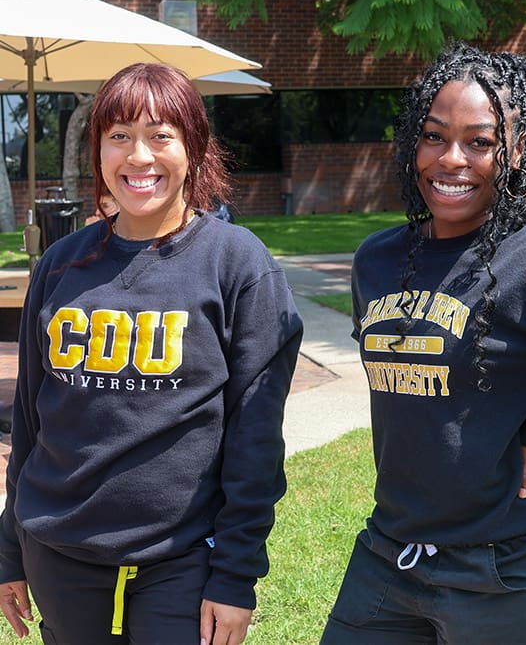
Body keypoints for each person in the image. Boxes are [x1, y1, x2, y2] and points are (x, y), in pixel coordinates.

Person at [320, 42, 526, 645]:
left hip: (507, 571)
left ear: (517, 152)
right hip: (388, 555)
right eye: (433, 137)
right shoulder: (378, 260)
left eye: (480, 142)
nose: (450, 159)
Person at [0, 62, 303, 645]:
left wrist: (236, 575)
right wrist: (10, 548)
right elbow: (31, 422)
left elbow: (255, 438)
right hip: (58, 555)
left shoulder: (238, 264)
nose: (139, 157)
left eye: (161, 135)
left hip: (182, 561)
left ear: (194, 148)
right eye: (119, 136)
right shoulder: (61, 265)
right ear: (99, 152)